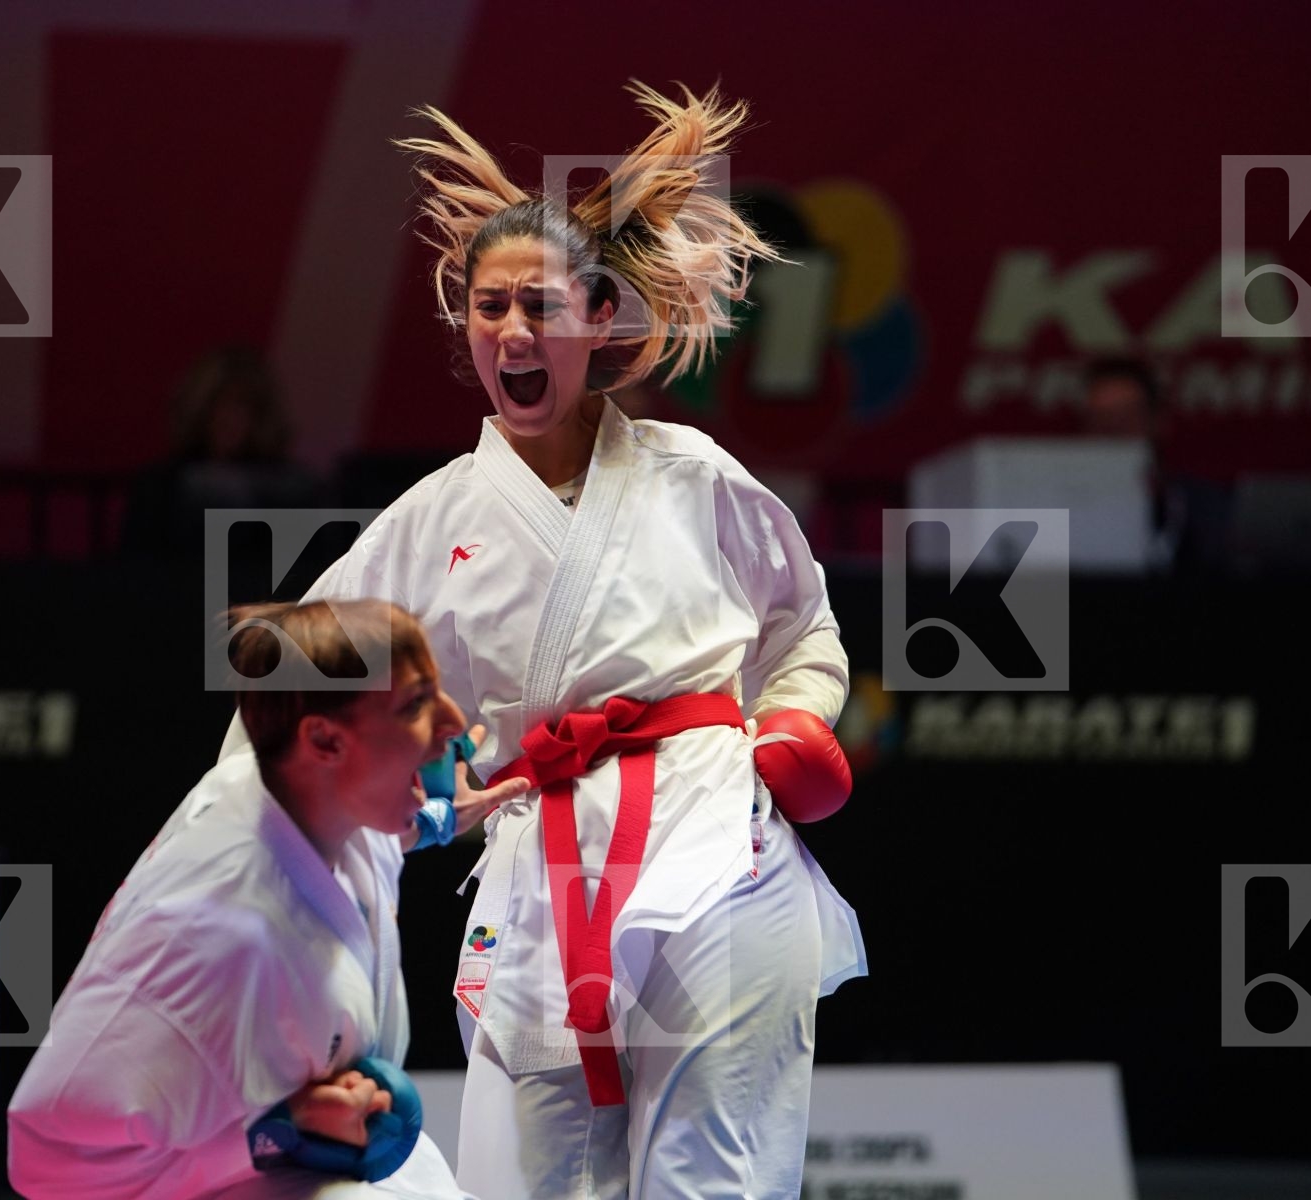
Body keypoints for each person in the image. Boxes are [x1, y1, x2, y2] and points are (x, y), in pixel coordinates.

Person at [221, 81, 867, 1197]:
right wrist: (253, 850)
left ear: (600, 317)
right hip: (540, 874)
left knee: (717, 1183)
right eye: (488, 309)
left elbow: (803, 626)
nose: (512, 332)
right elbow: (293, 688)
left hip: (717, 852)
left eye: (540, 307)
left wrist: (795, 719)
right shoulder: (430, 524)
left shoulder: (695, 478)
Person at [9, 599, 528, 1199]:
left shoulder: (297, 791)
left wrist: (432, 817)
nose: (452, 722)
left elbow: (363, 841)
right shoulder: (212, 937)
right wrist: (275, 1134)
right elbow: (43, 1157)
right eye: (415, 704)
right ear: (325, 741)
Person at [120, 345, 328, 562]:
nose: (228, 418)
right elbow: (137, 573)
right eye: (218, 404)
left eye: (240, 405)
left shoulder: (292, 491)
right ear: (199, 408)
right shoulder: (161, 488)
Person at [1080, 356, 1233, 576]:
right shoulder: (1053, 511)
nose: (1112, 430)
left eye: (1127, 416)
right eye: (1100, 418)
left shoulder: (1206, 507)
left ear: (1158, 422)